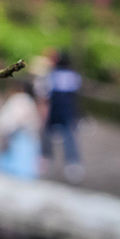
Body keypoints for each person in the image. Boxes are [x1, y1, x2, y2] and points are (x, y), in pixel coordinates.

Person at [41, 51, 84, 183]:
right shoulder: (74, 76)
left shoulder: (52, 75)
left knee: (48, 136)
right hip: (66, 112)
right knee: (68, 137)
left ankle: (46, 159)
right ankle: (72, 163)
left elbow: (45, 93)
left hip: (57, 111)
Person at [0, 81, 42, 179]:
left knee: (12, 167)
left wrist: (6, 131)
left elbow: (15, 118)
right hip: (27, 137)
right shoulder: (29, 101)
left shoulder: (19, 99)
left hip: (17, 137)